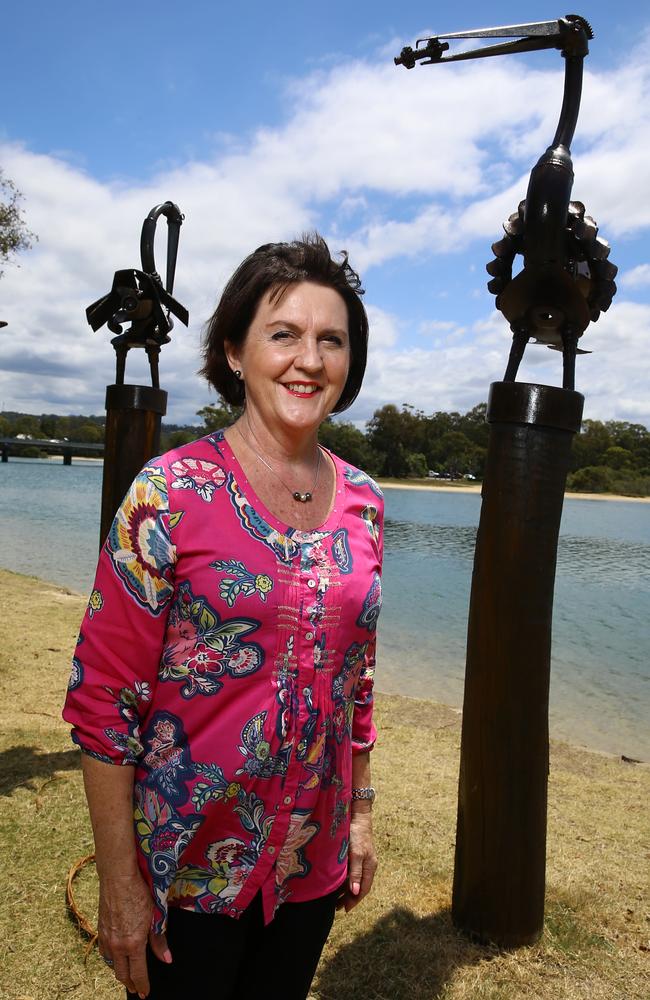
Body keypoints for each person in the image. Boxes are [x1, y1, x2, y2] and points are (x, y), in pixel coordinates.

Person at [63, 233, 384, 999]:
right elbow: (103, 703)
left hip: (309, 858)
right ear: (236, 351)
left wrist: (361, 814)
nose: (309, 359)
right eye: (284, 335)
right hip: (187, 867)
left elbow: (357, 679)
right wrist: (119, 884)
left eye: (330, 340)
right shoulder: (167, 494)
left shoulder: (365, 503)